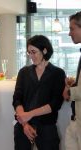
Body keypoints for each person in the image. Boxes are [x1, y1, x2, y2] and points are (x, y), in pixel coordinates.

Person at [12, 35, 66, 150]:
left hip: (47, 127)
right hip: (23, 127)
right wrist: (24, 123)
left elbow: (55, 103)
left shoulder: (58, 73)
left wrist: (29, 114)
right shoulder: (23, 72)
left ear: (44, 50)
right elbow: (17, 99)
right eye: (29, 53)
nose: (31, 56)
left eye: (34, 52)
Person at [63, 11, 81, 150]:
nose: (69, 33)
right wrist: (74, 84)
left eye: (72, 29)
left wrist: (69, 92)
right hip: (76, 120)